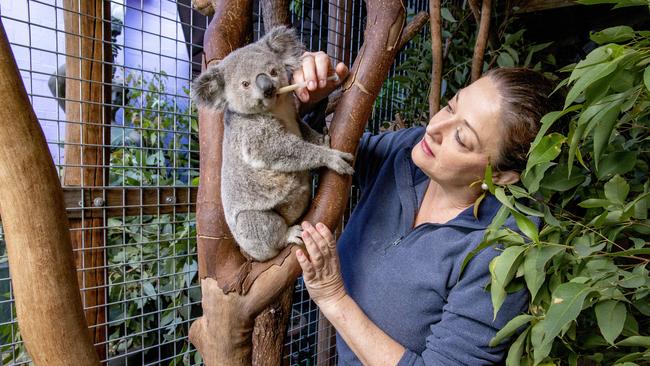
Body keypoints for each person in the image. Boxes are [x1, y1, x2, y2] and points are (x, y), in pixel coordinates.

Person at [290, 51, 559, 365]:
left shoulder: (500, 250)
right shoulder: (410, 153)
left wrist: (333, 297)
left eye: (461, 137)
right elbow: (333, 158)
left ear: (500, 176)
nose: (435, 128)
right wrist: (307, 103)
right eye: (450, 106)